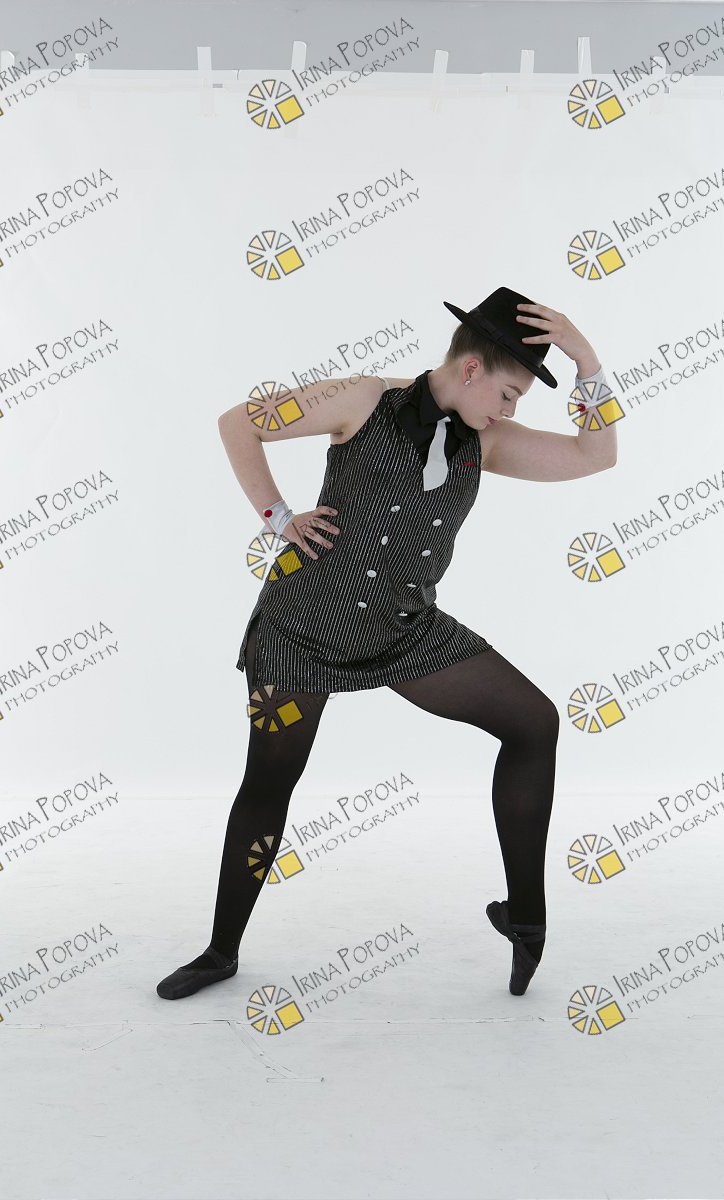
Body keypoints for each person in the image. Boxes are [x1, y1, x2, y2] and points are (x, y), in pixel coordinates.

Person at [156, 286, 617, 1001]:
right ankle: (220, 952)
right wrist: (278, 517)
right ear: (470, 370)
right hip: (301, 629)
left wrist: (586, 359)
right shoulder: (362, 397)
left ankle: (526, 917)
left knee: (534, 723)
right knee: (270, 782)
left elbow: (596, 454)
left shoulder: (486, 440)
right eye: (508, 393)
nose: (509, 410)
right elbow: (239, 422)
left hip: (404, 632)